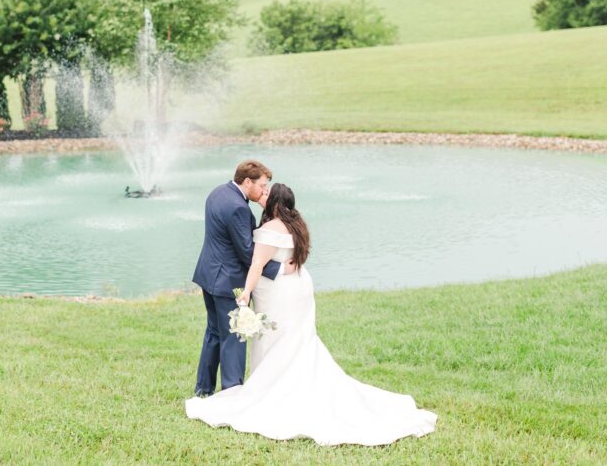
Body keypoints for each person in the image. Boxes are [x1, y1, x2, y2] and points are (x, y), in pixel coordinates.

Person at [186, 181, 438, 446]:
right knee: (298, 340)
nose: (262, 194)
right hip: (299, 288)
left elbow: (256, 264)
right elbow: (290, 260)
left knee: (276, 341)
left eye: (267, 193)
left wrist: (245, 294)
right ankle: (294, 385)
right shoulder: (298, 226)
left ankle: (274, 390)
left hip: (279, 294)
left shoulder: (268, 230)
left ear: (273, 203)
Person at [191, 160, 295, 397]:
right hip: (228, 281)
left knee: (214, 333)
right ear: (247, 182)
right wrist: (278, 269)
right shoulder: (239, 208)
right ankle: (232, 392)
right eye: (262, 185)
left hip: (209, 275)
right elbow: (248, 252)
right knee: (234, 336)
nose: (264, 191)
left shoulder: (218, 192)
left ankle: (204, 389)